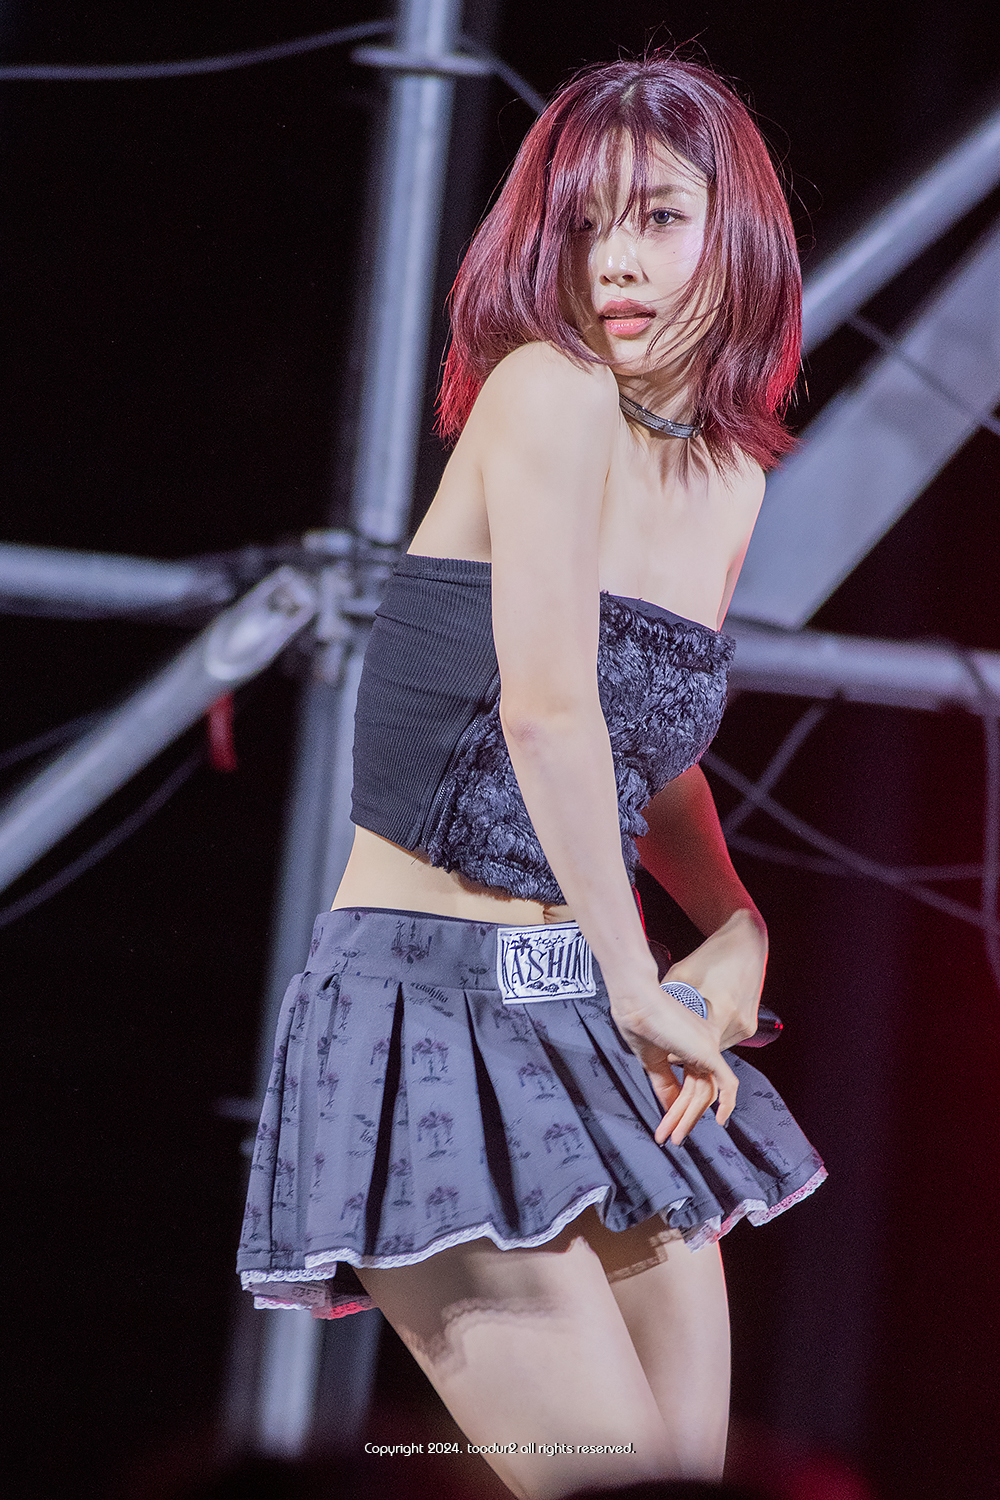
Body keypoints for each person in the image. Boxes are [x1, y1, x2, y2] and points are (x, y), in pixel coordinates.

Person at [238, 54, 826, 1500]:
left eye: (660, 217)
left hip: (582, 1016)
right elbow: (550, 714)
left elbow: (646, 755)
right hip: (424, 1005)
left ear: (738, 232)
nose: (615, 260)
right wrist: (640, 979)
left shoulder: (731, 480)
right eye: (583, 223)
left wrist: (736, 924)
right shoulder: (545, 392)